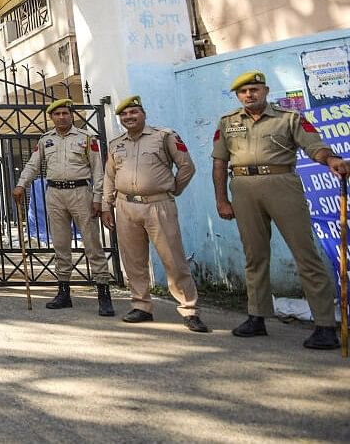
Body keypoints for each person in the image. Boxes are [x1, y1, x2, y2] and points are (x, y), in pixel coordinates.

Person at [212, 71, 348, 349]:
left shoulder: (290, 118)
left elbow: (315, 147)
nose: (249, 95)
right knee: (254, 255)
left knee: (305, 254)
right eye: (243, 92)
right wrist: (221, 200)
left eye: (254, 89)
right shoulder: (228, 123)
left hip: (282, 184)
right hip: (242, 187)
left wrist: (331, 159)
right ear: (238, 96)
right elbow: (218, 163)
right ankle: (257, 316)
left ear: (265, 90)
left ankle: (324, 325)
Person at [100, 96, 208, 333]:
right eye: (124, 115)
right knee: (134, 261)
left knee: (173, 259)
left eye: (133, 112)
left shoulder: (164, 136)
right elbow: (109, 177)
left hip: (158, 205)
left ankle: (189, 309)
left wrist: (173, 189)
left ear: (143, 114)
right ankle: (141, 306)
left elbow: (187, 166)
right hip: (126, 206)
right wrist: (106, 206)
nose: (129, 117)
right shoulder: (116, 144)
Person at [13, 98, 113, 316]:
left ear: (72, 115)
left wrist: (98, 198)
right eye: (57, 114)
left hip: (81, 193)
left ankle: (103, 293)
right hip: (55, 193)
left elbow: (98, 171)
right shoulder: (45, 140)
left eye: (65, 113)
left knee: (92, 243)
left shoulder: (87, 138)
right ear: (51, 117)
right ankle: (64, 292)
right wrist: (21, 184)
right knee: (60, 243)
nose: (61, 117)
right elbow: (33, 165)